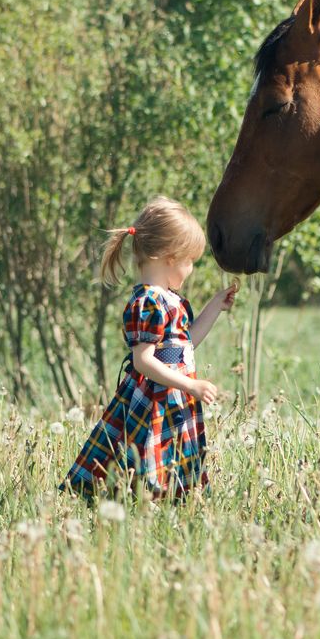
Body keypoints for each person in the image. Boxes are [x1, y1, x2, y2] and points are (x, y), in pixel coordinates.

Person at [59, 196, 236, 501]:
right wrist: (190, 384)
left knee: (169, 461)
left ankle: (168, 503)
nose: (191, 269)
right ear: (170, 257)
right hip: (154, 401)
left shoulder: (171, 300)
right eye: (190, 261)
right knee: (141, 460)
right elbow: (143, 361)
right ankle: (136, 503)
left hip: (173, 398)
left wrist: (215, 306)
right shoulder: (148, 302)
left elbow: (185, 345)